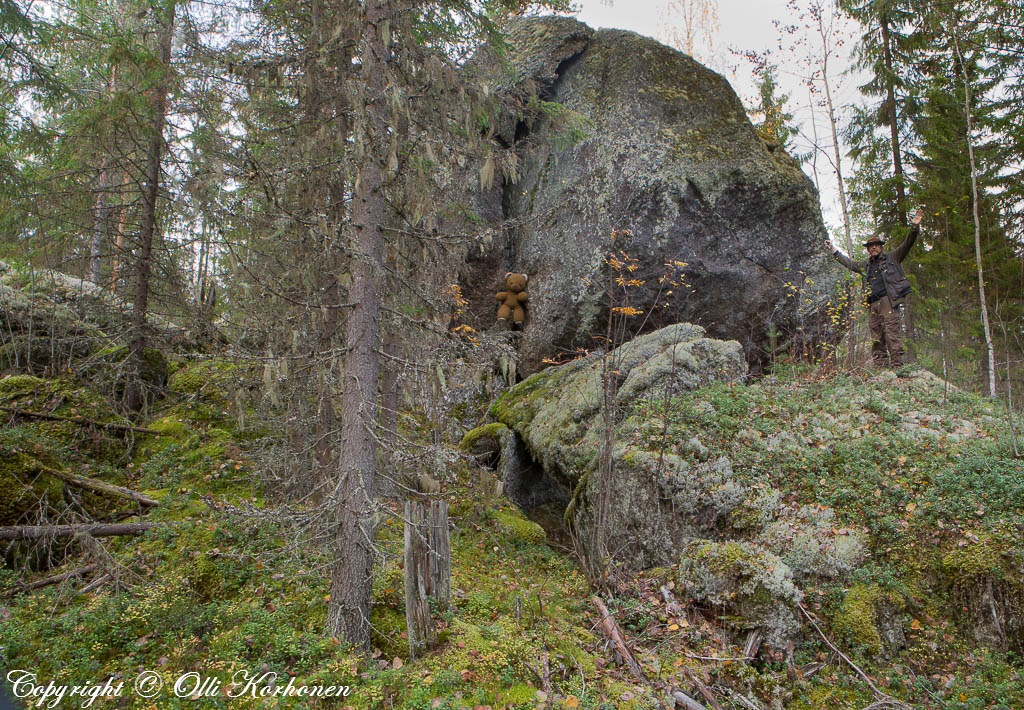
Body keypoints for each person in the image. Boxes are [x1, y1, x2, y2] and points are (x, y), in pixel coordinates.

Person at [826, 207, 924, 368]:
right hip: (872, 305)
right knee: (876, 336)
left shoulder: (893, 257)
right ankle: (881, 368)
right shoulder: (865, 265)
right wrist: (834, 250)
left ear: (881, 246)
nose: (873, 248)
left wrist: (914, 227)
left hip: (888, 302)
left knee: (892, 334)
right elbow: (849, 263)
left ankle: (898, 368)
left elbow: (908, 243)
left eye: (876, 245)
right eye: (870, 246)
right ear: (867, 249)